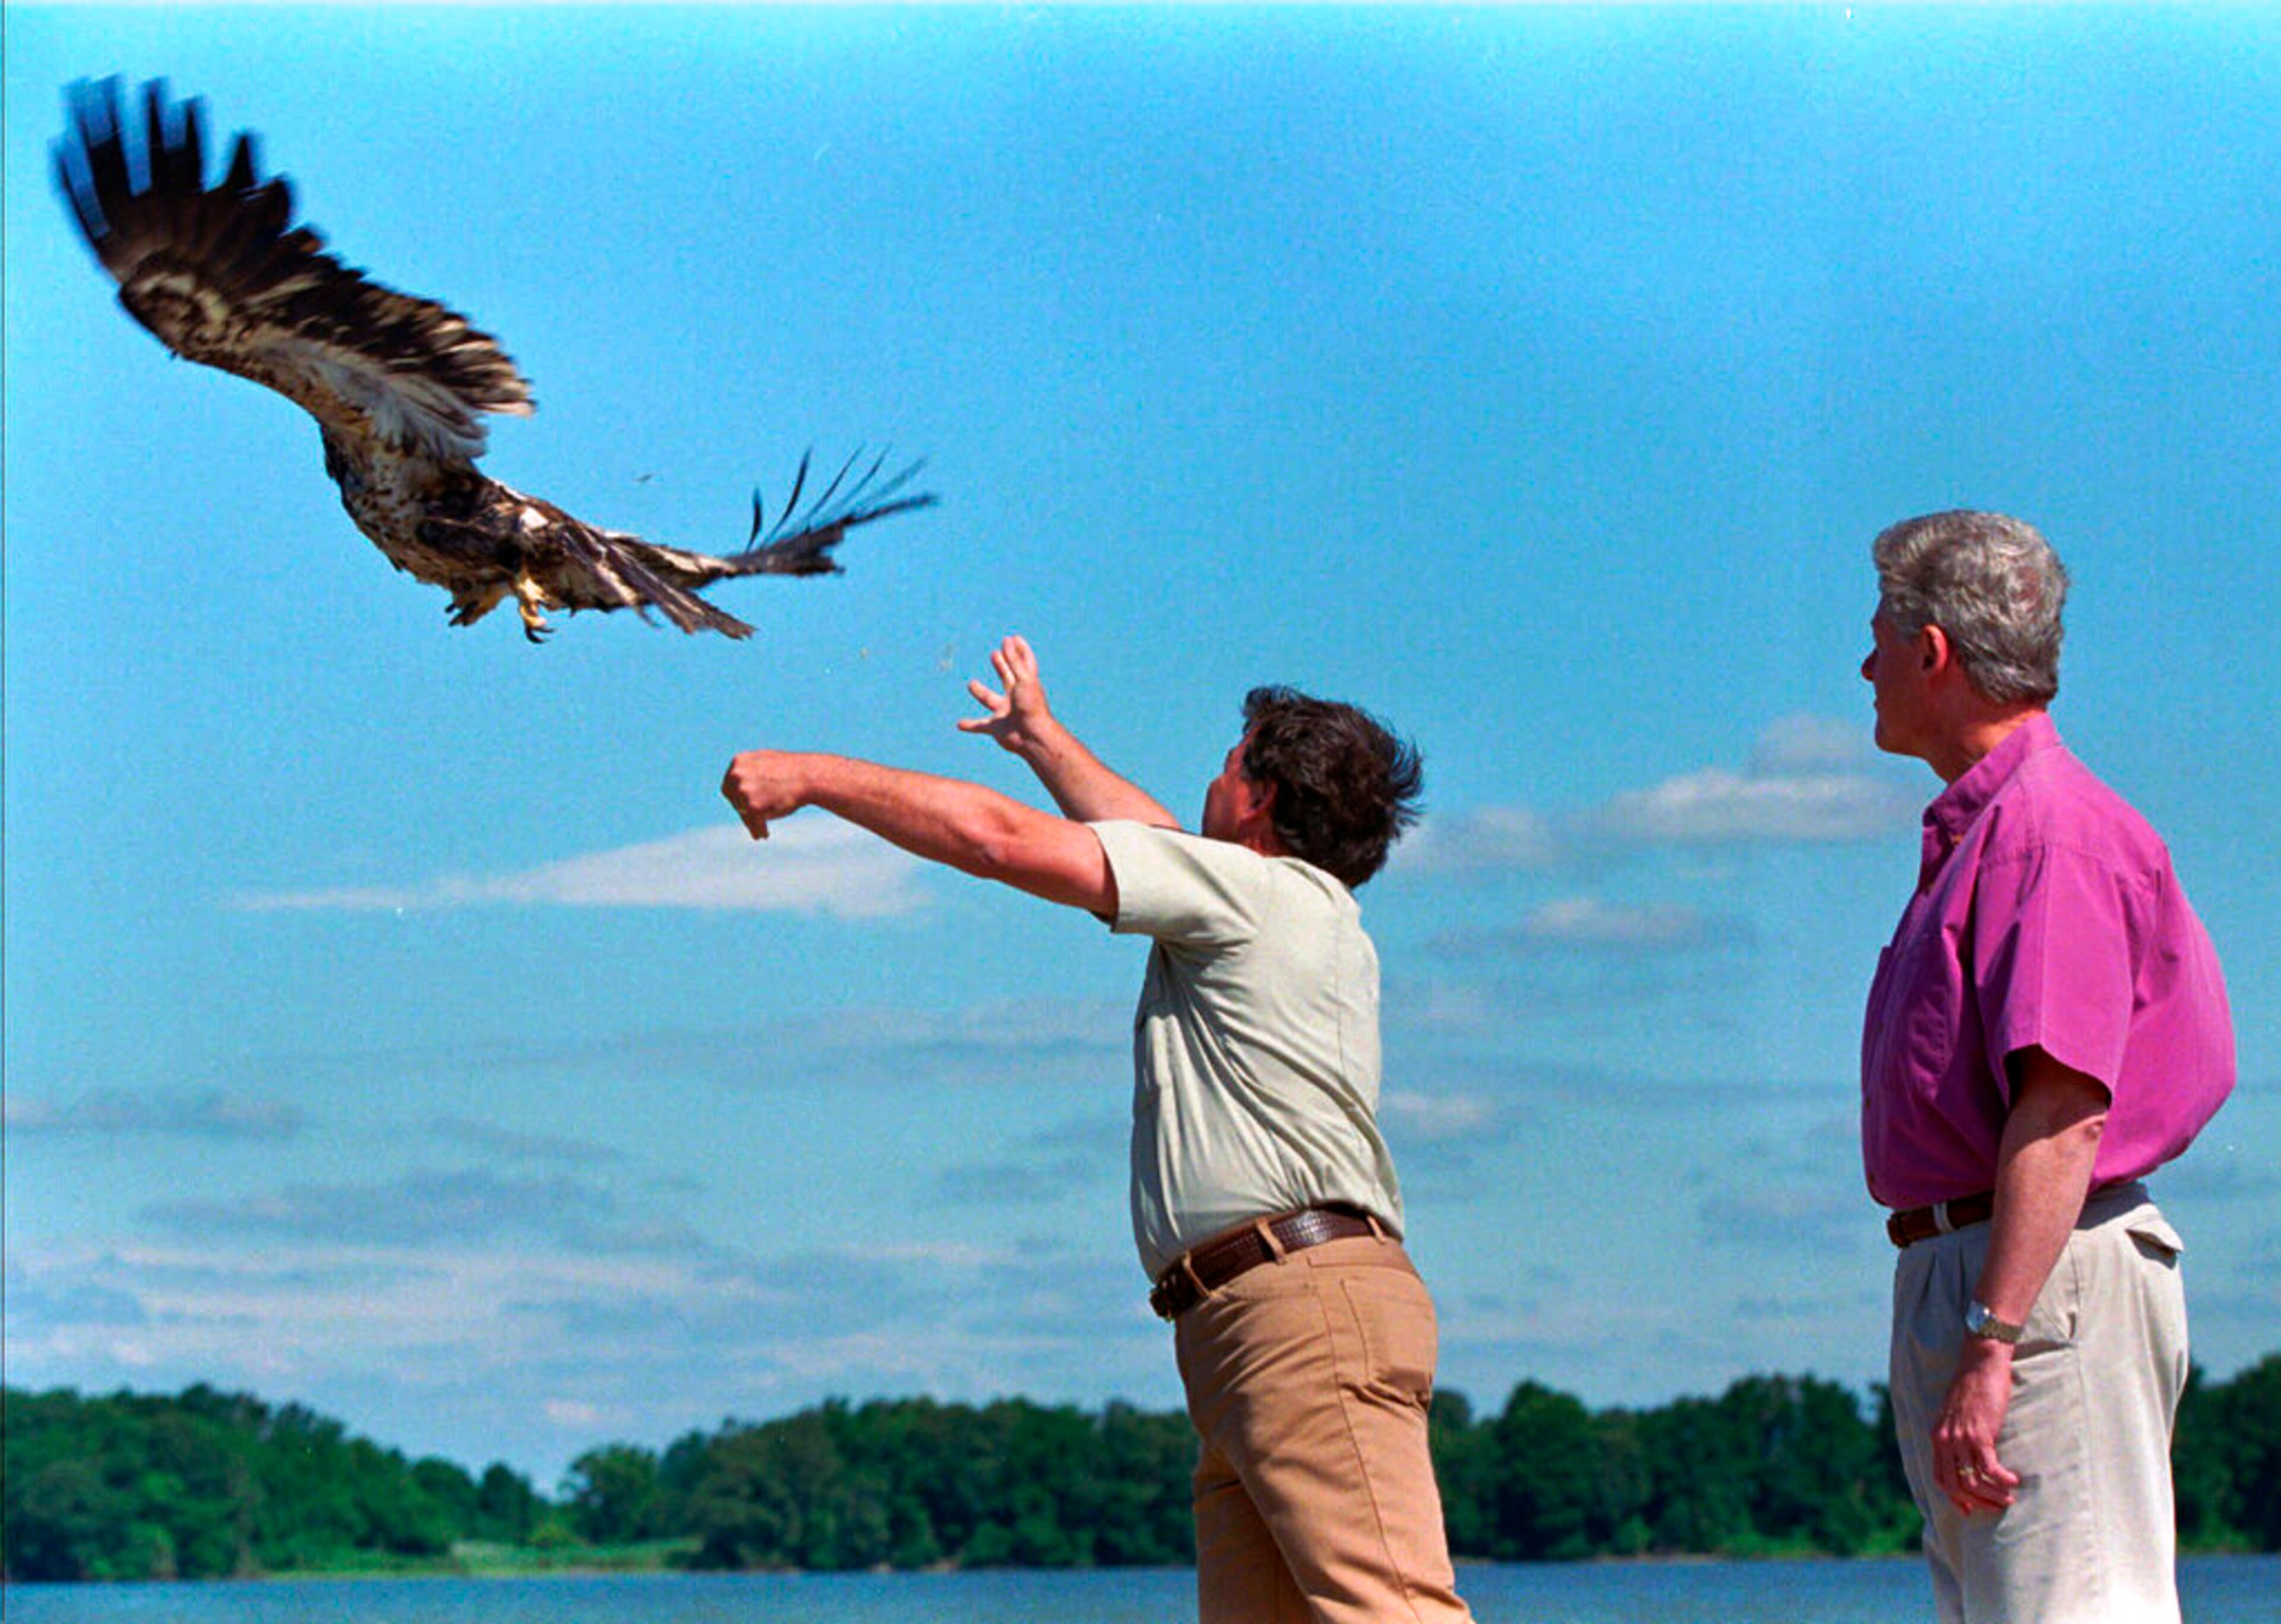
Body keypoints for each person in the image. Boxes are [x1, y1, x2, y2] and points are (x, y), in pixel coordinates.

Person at [722, 635, 1471, 1624]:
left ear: (1261, 800)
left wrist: (814, 777)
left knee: (1395, 1613)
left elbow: (1001, 840)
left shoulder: (1254, 899)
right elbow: (1150, 831)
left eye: (1228, 761)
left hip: (1301, 1315)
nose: (1211, 778)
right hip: (1250, 1323)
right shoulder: (1280, 907)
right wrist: (1041, 737)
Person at [1856, 511, 2235, 1624]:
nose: (1864, 663)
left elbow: (2066, 1109)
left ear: (1935, 654)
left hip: (2040, 1272)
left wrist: (1995, 1337)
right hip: (1989, 1266)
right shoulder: (1992, 832)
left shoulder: (2048, 834)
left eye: (1879, 634)